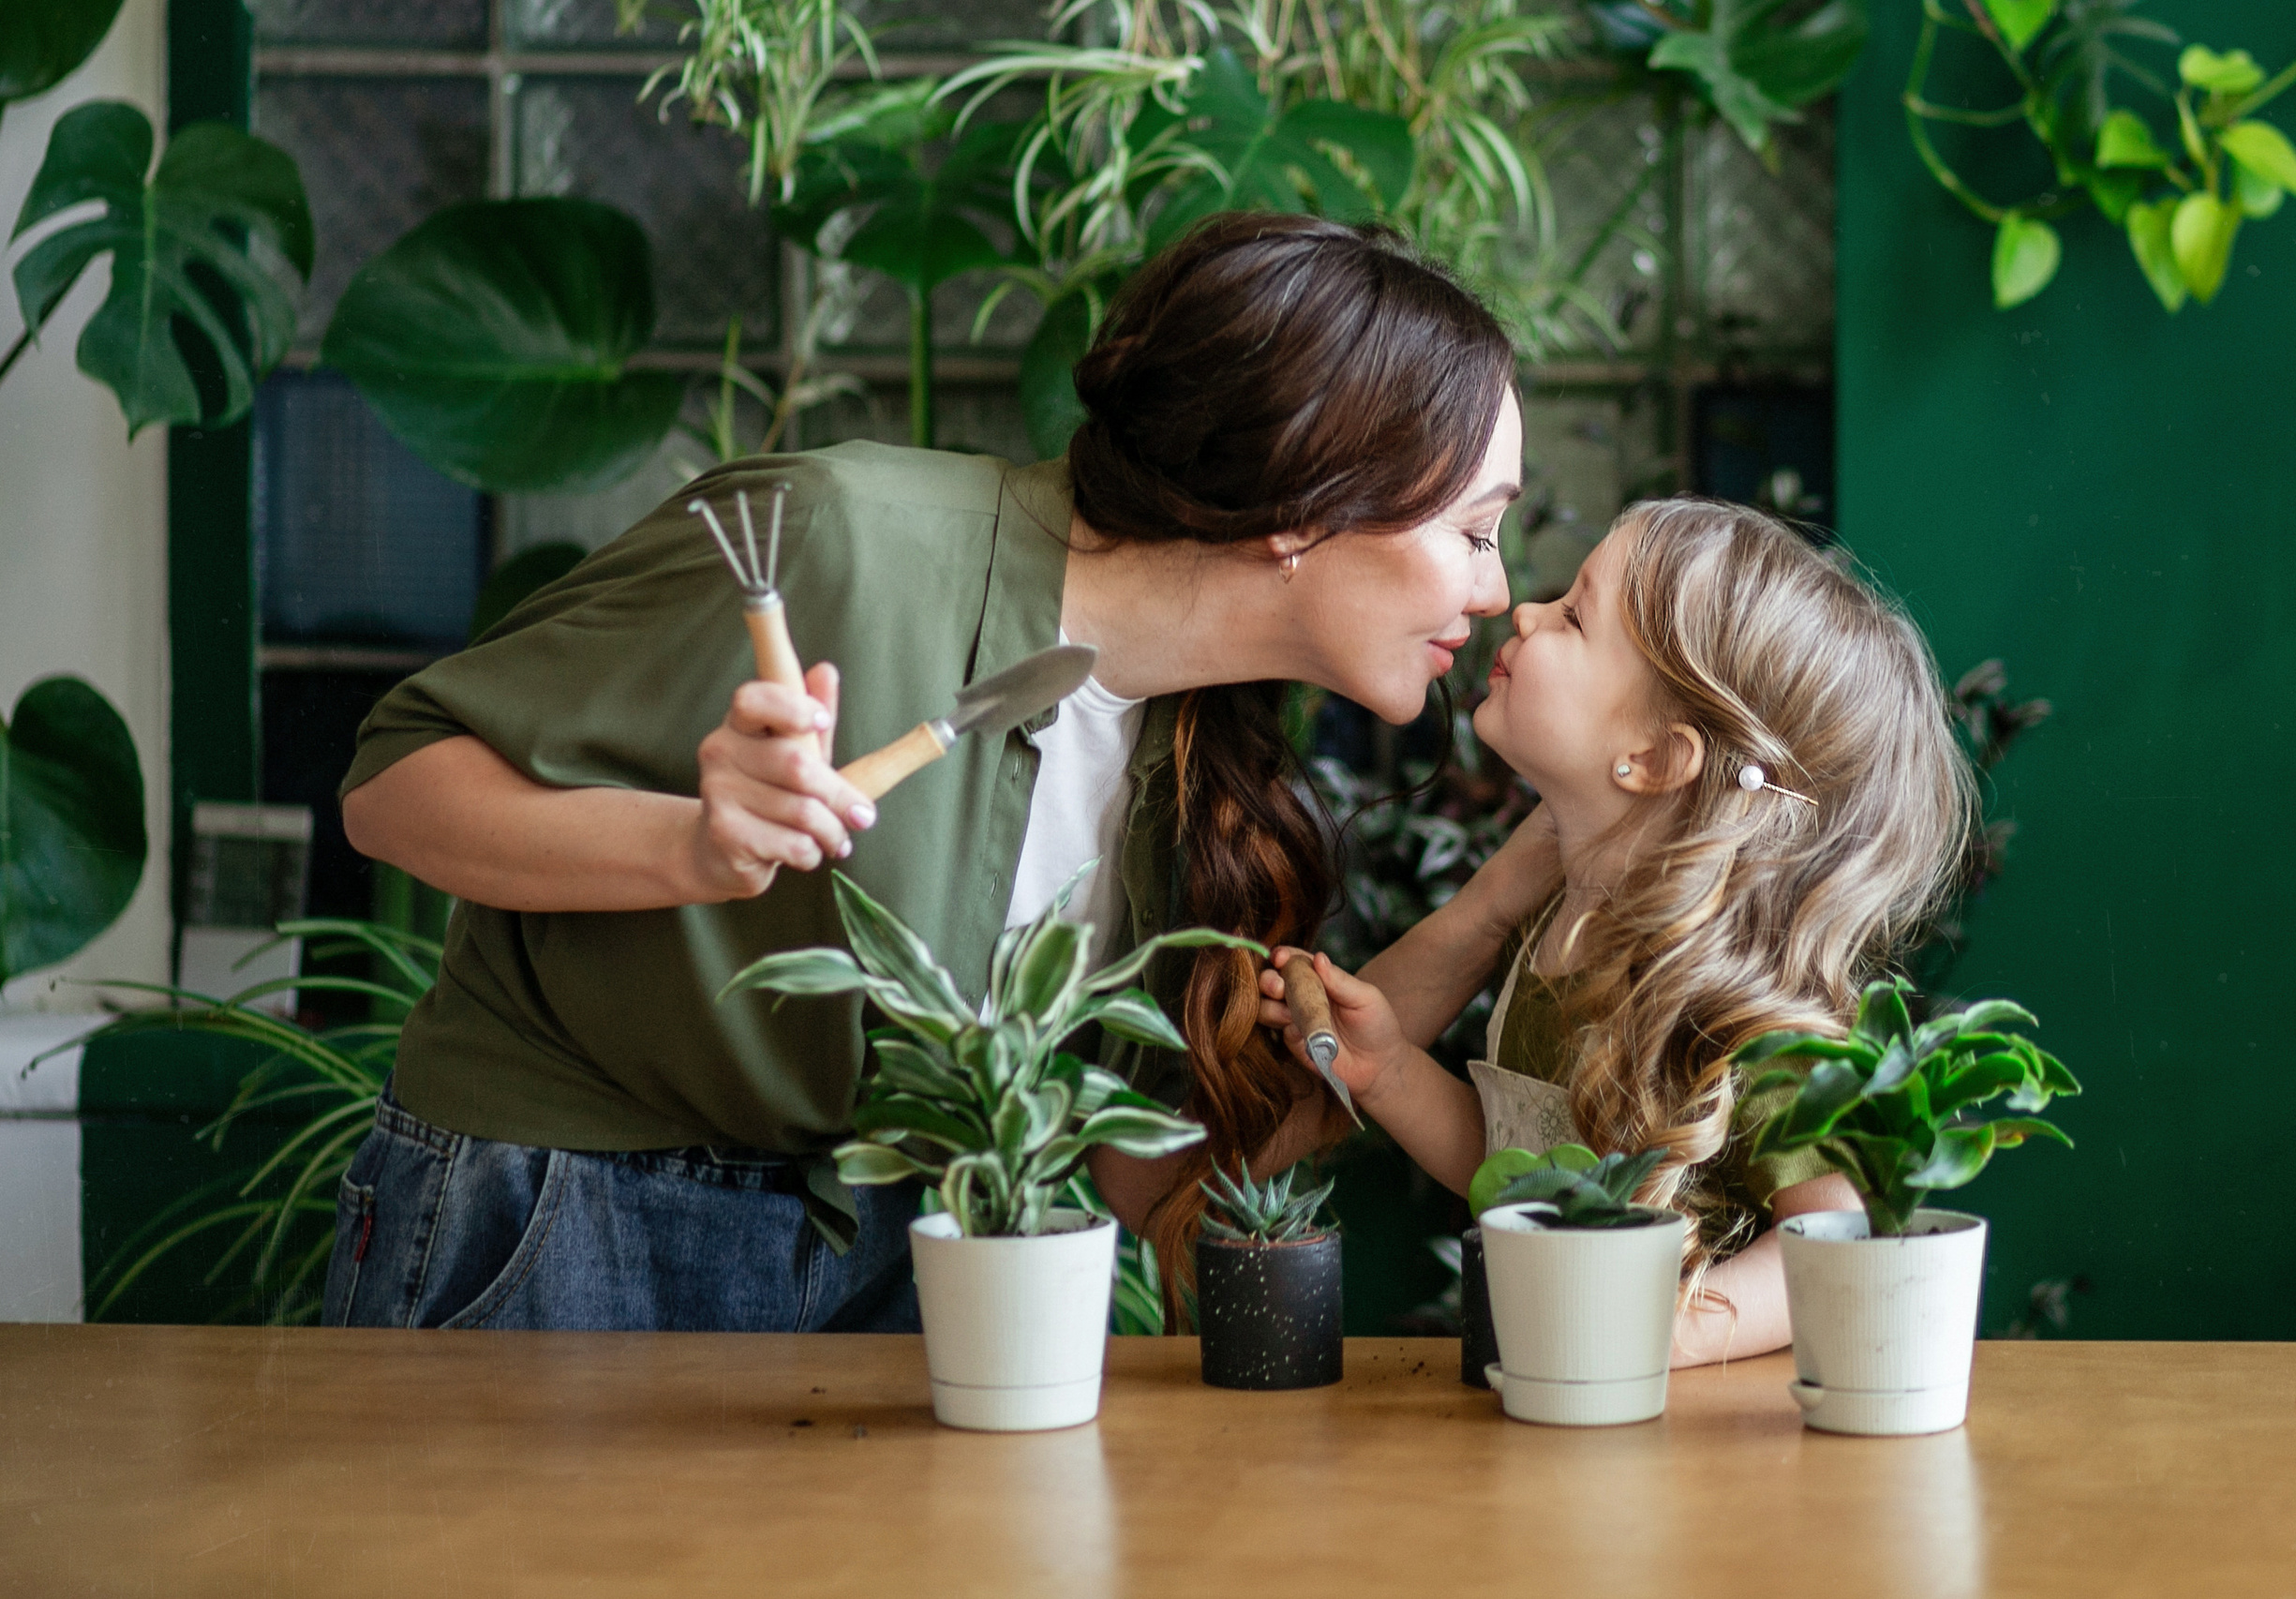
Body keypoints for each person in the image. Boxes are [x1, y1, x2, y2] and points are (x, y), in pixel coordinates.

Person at [326, 211, 1556, 1331]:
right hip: (562, 1215)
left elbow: (1148, 1173)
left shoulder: (1204, 766)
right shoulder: (843, 540)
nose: (1495, 590)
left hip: (898, 1250)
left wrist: (1497, 903)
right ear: (1305, 499)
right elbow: (392, 787)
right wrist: (687, 847)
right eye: (1474, 530)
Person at [1259, 498, 1972, 1364]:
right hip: (1561, 1398)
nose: (1523, 611)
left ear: (1657, 759)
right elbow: (1518, 1172)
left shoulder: (1742, 1001)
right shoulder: (1563, 936)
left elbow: (1836, 1239)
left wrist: (1673, 1334)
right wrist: (1395, 1074)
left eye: (1572, 616)